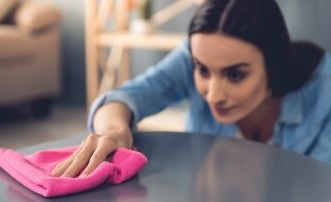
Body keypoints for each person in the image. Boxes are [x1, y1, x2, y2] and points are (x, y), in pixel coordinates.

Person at [52, 0, 331, 178]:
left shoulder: (324, 94)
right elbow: (127, 97)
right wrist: (113, 131)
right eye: (202, 70)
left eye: (235, 75)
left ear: (274, 65)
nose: (213, 94)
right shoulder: (199, 53)